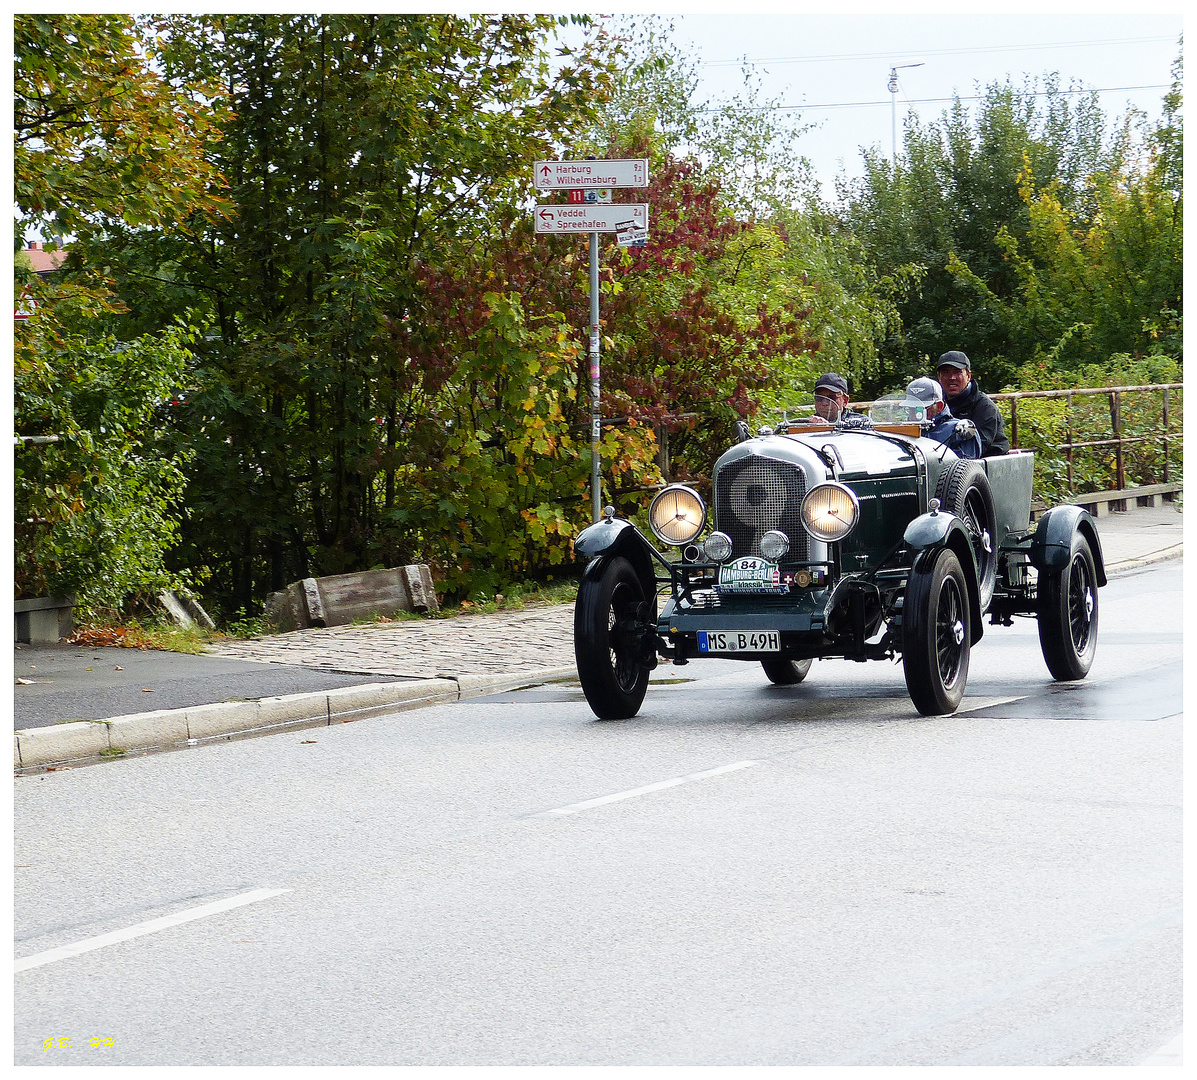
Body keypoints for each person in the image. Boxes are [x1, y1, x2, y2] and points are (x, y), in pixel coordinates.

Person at [935, 351, 1010, 456]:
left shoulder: (985, 408)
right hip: (946, 463)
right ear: (939, 377)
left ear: (968, 375)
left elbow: (975, 450)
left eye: (957, 372)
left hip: (987, 466)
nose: (952, 377)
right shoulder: (935, 406)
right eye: (946, 372)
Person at [905, 377, 982, 459]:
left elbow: (966, 469)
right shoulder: (903, 430)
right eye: (910, 409)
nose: (914, 415)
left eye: (920, 409)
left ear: (939, 407)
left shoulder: (958, 431)